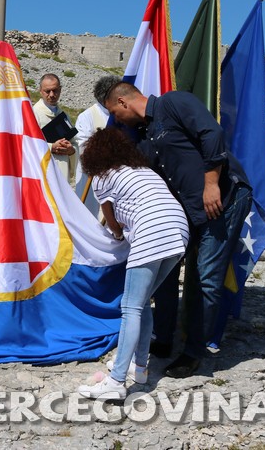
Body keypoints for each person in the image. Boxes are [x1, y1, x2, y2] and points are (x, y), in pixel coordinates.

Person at [100, 78, 252, 379]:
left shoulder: (174, 103)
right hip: (189, 211)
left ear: (123, 102)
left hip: (224, 199)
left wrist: (211, 183)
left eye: (115, 114)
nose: (117, 120)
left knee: (205, 277)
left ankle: (193, 353)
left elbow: (211, 133)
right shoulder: (143, 138)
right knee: (166, 272)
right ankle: (164, 337)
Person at [76, 127, 189, 400]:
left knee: (130, 307)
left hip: (152, 232)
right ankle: (139, 368)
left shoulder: (103, 176)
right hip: (179, 230)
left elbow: (113, 223)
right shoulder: (142, 170)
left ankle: (116, 381)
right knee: (143, 302)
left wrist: (117, 234)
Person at [74, 75, 117, 218]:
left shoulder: (119, 114)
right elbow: (83, 146)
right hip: (92, 177)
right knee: (90, 216)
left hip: (116, 177)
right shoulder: (87, 117)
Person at [32, 73, 78, 188]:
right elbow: (28, 144)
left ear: (60, 90)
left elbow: (74, 144)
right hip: (43, 174)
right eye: (47, 91)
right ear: (40, 91)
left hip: (62, 175)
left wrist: (71, 150)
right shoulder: (33, 114)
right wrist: (51, 147)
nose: (52, 95)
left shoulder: (64, 115)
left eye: (55, 90)